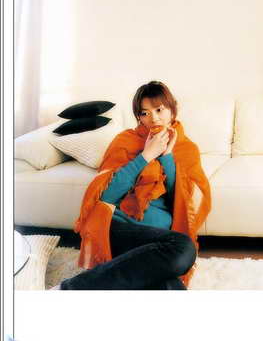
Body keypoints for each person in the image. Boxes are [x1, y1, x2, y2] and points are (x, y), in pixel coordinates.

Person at [55, 81, 211, 290]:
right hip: (118, 229)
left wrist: (167, 156)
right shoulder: (125, 141)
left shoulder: (187, 149)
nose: (153, 118)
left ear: (173, 109)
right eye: (145, 113)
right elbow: (106, 197)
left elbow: (184, 205)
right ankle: (69, 289)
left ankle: (72, 289)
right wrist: (146, 156)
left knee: (172, 286)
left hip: (158, 239)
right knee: (184, 248)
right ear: (138, 117)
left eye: (159, 110)